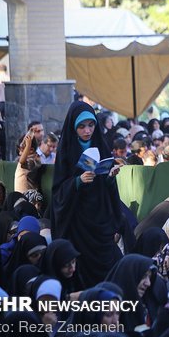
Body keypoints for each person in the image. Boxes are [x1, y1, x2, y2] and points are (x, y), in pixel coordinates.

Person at [51, 101, 124, 287]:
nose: (87, 131)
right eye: (82, 126)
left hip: (100, 220)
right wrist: (77, 181)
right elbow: (58, 191)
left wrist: (109, 177)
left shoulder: (101, 145)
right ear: (74, 127)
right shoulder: (67, 151)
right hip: (77, 223)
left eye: (91, 125)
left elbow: (107, 189)